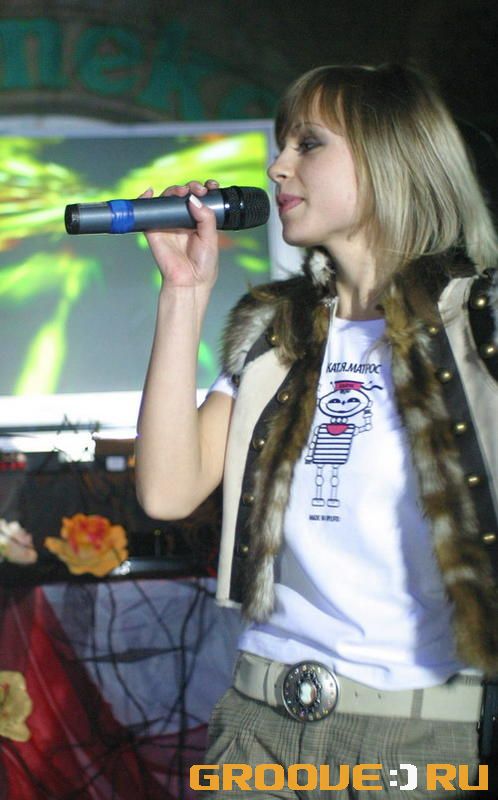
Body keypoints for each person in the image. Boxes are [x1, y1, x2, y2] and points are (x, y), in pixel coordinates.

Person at [135, 63, 498, 798]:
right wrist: (184, 295)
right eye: (281, 146)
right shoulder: (280, 331)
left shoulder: (477, 323)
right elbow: (168, 491)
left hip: (416, 736)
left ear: (392, 156)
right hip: (258, 723)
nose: (278, 167)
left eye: (308, 144)